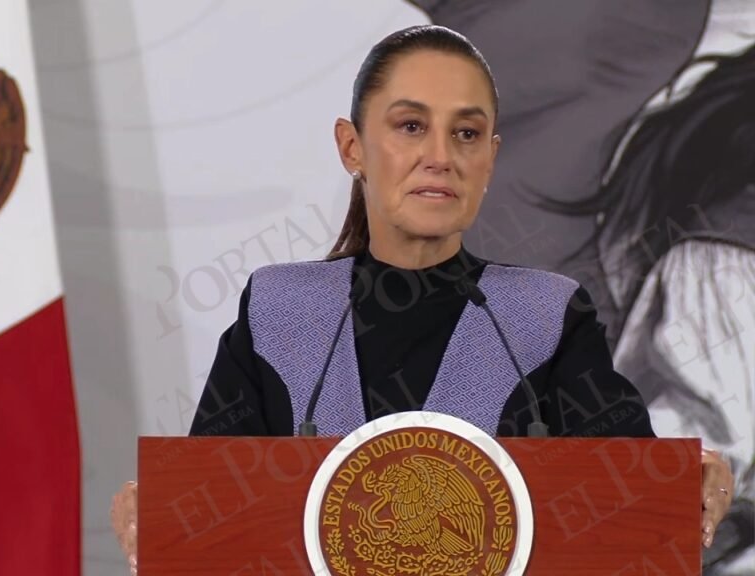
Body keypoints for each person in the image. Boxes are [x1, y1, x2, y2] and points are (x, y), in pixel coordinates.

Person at [109, 24, 736, 574]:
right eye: (411, 126)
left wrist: (691, 478)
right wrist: (158, 511)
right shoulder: (280, 311)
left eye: (466, 133)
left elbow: (633, 505)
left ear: (490, 159)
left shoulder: (546, 318)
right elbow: (210, 514)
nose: (441, 157)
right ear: (352, 147)